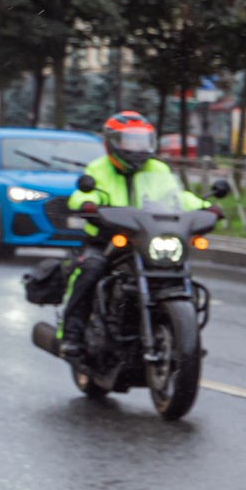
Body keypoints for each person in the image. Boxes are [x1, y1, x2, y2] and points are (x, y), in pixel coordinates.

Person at [58, 111, 209, 360]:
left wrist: (204, 206)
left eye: (142, 141)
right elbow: (85, 193)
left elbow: (177, 197)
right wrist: (86, 202)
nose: (137, 148)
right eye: (130, 141)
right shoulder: (99, 169)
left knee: (177, 271)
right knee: (90, 270)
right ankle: (71, 335)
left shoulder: (158, 169)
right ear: (113, 142)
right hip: (107, 239)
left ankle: (185, 339)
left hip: (147, 237)